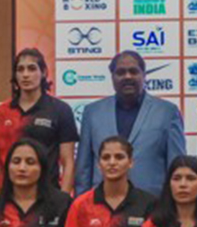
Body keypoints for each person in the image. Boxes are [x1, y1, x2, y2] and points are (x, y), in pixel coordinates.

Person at [74, 50, 186, 195]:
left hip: (152, 205)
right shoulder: (92, 113)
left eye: (133, 71)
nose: (127, 76)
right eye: (120, 72)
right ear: (112, 77)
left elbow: (176, 166)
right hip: (102, 207)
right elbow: (84, 168)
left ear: (144, 75)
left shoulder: (167, 112)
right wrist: (81, 207)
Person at [0, 47, 79, 195]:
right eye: (20, 70)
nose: (25, 75)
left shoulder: (61, 110)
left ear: (43, 72)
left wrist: (64, 200)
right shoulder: (0, 112)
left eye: (31, 69)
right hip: (8, 197)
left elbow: (68, 162)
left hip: (48, 196)